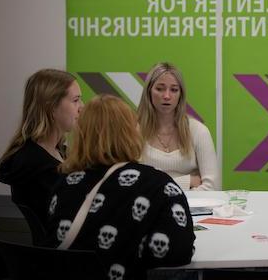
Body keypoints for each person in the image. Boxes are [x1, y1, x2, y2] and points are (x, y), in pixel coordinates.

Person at [43, 94, 195, 279]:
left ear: (82, 134)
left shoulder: (63, 184)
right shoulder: (159, 185)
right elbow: (178, 254)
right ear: (131, 133)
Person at [0, 68, 83, 228]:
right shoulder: (36, 165)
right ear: (51, 107)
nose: (81, 107)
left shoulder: (58, 152)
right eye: (75, 100)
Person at [138, 62, 220, 190]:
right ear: (148, 92)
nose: (167, 96)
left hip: (191, 209)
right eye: (160, 89)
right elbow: (130, 186)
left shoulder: (198, 131)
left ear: (181, 95)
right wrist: (187, 181)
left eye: (174, 90)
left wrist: (156, 190)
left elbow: (213, 187)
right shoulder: (133, 132)